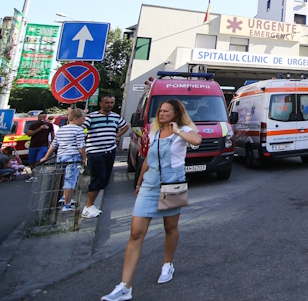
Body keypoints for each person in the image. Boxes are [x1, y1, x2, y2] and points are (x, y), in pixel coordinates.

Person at [102, 100, 201, 301]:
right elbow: (148, 159)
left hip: (173, 184)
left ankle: (167, 264)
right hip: (150, 185)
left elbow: (196, 140)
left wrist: (177, 132)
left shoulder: (183, 129)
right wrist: (139, 183)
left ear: (175, 114)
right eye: (160, 111)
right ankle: (125, 286)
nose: (161, 113)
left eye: (166, 111)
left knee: (170, 228)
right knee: (136, 233)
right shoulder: (154, 132)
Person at [82, 94, 129, 219]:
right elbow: (81, 129)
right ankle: (88, 206)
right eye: (107, 102)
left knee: (105, 178)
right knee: (98, 177)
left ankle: (91, 205)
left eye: (112, 103)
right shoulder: (92, 117)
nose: (109, 105)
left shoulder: (115, 116)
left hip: (110, 151)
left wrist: (117, 136)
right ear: (101, 103)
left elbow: (125, 126)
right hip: (95, 151)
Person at [43, 109, 87, 212]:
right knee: (71, 180)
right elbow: (81, 146)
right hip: (73, 157)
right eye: (83, 118)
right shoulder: (78, 130)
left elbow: (54, 145)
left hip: (61, 157)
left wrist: (46, 157)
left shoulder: (62, 129)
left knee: (63, 179)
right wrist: (84, 158)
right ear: (76, 119)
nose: (84, 121)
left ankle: (64, 198)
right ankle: (66, 204)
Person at [25, 112, 54, 183]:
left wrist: (52, 144)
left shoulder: (49, 125)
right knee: (32, 162)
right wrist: (40, 128)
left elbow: (52, 134)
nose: (41, 119)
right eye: (40, 117)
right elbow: (29, 134)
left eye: (43, 117)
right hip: (33, 146)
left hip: (43, 146)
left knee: (39, 160)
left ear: (46, 117)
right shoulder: (33, 125)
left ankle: (38, 176)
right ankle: (33, 176)